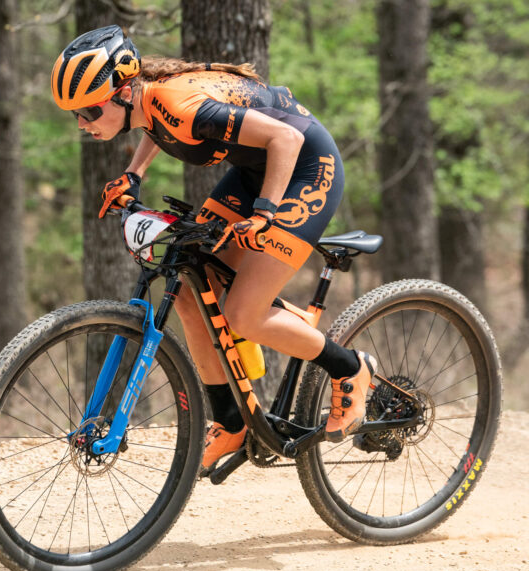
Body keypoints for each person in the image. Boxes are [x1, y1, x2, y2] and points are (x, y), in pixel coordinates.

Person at [51, 25, 377, 472]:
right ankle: (230, 421)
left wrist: (264, 213)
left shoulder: (180, 105)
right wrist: (133, 174)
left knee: (243, 313)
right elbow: (155, 126)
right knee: (190, 288)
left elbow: (286, 139)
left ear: (124, 92)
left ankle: (350, 368)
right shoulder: (147, 101)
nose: (83, 123)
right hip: (256, 170)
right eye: (76, 114)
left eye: (89, 110)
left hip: (303, 166)